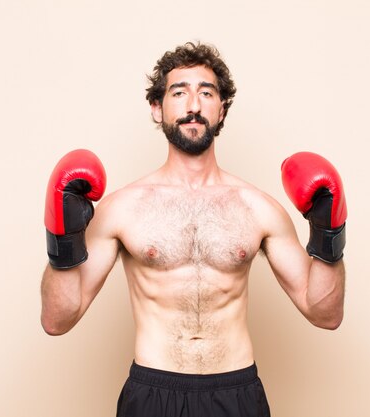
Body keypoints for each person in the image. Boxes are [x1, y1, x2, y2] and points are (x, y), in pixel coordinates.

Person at [40, 42, 347, 417]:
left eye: (207, 92)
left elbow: (325, 313)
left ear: (222, 109)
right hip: (153, 393)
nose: (194, 105)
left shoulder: (258, 208)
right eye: (179, 92)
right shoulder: (123, 208)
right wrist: (63, 240)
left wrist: (328, 232)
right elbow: (58, 319)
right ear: (158, 107)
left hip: (237, 393)